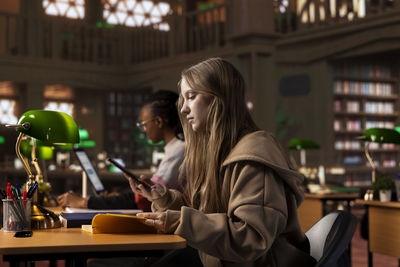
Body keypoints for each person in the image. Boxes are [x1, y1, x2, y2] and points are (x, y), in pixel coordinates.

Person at [131, 58, 316, 267]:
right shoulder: (222, 153)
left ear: (220, 98)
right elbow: (208, 218)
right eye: (183, 99)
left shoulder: (254, 156)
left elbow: (249, 239)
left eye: (191, 97)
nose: (183, 109)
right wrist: (165, 201)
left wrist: (180, 221)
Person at [57, 90, 185, 212]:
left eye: (143, 124)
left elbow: (148, 198)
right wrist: (117, 197)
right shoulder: (175, 148)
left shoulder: (179, 150)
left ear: (158, 121)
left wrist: (84, 202)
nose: (144, 130)